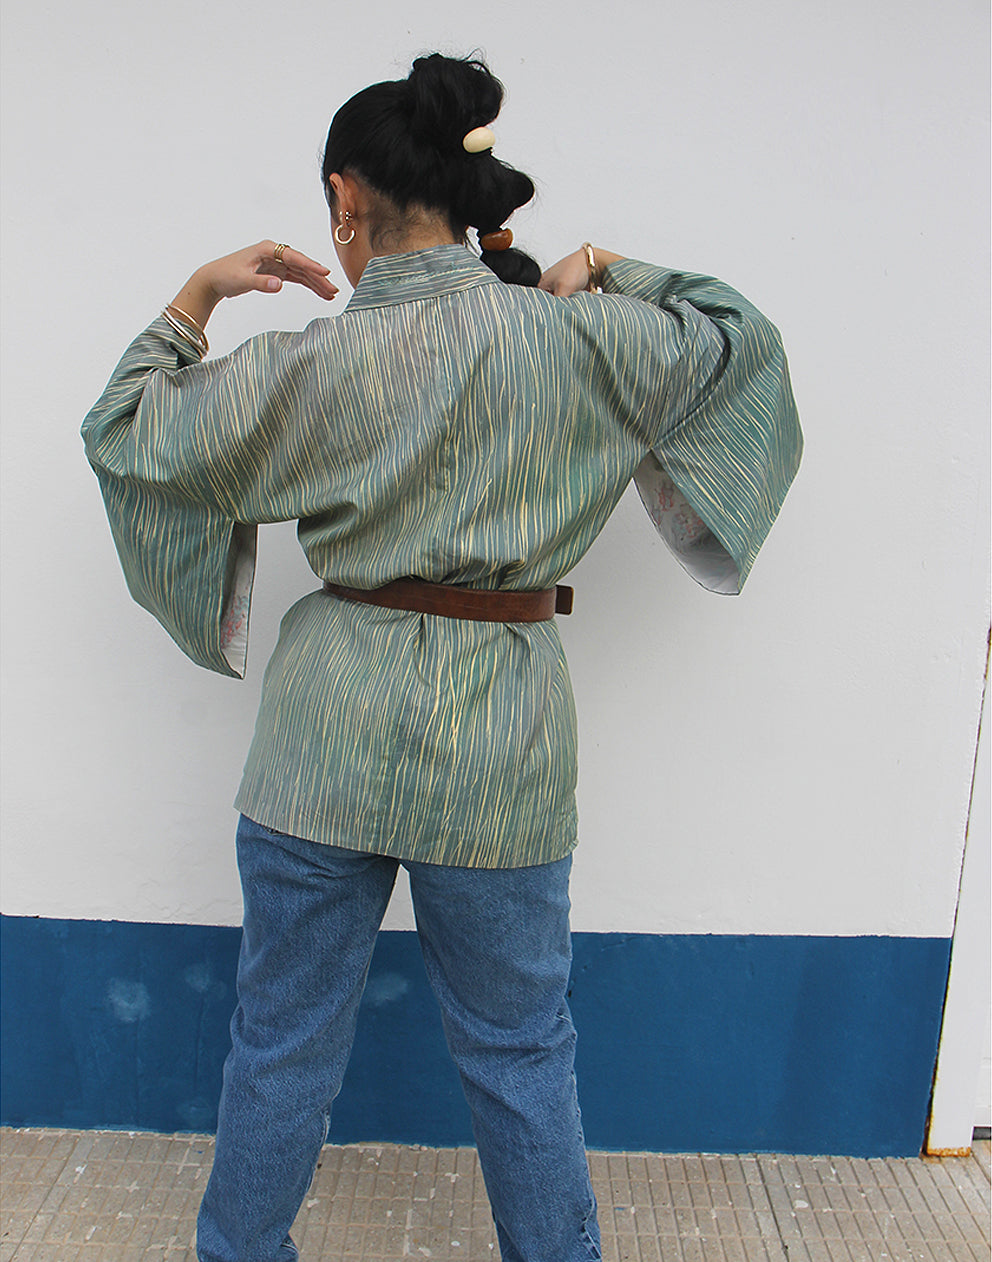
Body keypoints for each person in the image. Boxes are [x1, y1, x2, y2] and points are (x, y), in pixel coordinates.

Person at [82, 52, 801, 1262]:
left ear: (343, 200)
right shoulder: (587, 341)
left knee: (281, 1038)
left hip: (325, 734)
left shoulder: (305, 364)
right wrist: (610, 266)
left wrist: (196, 296)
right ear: (472, 207)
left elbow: (126, 430)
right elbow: (738, 336)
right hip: (502, 732)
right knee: (522, 1048)